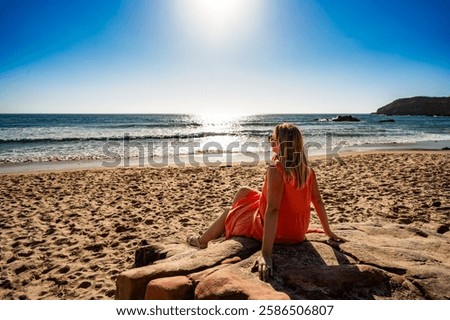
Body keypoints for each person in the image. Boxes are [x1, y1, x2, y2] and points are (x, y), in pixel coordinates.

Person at [187, 123, 345, 281]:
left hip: (278, 231)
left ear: (281, 144)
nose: (270, 141)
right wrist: (328, 232)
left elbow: (273, 210)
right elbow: (318, 201)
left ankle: (202, 241)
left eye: (272, 139)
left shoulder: (276, 170)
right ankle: (222, 232)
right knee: (243, 191)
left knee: (232, 212)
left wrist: (266, 254)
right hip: (298, 231)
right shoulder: (307, 171)